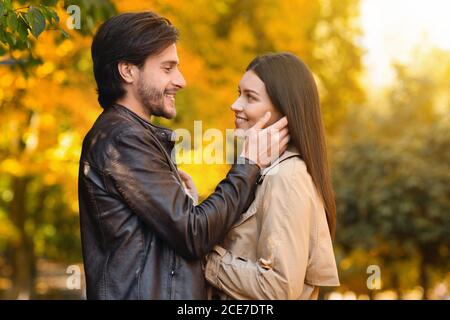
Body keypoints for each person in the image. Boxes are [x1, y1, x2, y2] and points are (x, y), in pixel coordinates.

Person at [78, 12, 289, 299]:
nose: (181, 80)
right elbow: (194, 234)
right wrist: (248, 163)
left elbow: (173, 237)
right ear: (127, 71)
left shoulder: (130, 134)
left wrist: (185, 204)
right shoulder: (123, 138)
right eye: (167, 68)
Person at [204, 53, 340, 300]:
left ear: (284, 110)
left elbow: (278, 287)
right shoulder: (264, 171)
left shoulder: (287, 177)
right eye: (239, 93)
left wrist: (205, 259)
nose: (235, 105)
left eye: (250, 97)